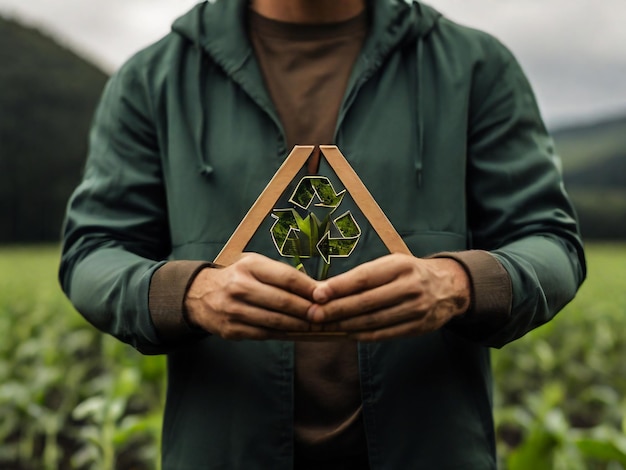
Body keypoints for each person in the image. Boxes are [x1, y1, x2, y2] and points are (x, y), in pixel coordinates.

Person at [59, 0, 586, 468]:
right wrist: (190, 294)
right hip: (224, 450)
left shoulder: (474, 67)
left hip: (430, 446)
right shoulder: (153, 77)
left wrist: (456, 284)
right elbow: (92, 253)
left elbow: (550, 241)